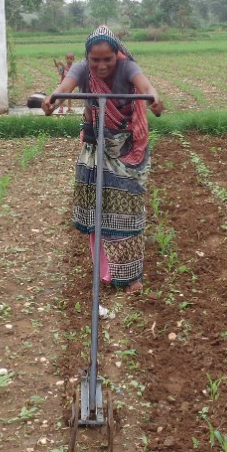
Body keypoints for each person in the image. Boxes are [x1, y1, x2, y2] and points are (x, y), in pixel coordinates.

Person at [44, 26, 164, 297]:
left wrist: (154, 97)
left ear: (116, 55)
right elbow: (64, 87)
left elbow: (145, 86)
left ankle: (131, 276)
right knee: (97, 208)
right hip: (95, 144)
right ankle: (105, 272)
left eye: (107, 59)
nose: (101, 65)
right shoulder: (82, 69)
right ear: (88, 58)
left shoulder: (127, 67)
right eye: (95, 60)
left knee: (127, 212)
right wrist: (53, 99)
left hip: (126, 147)